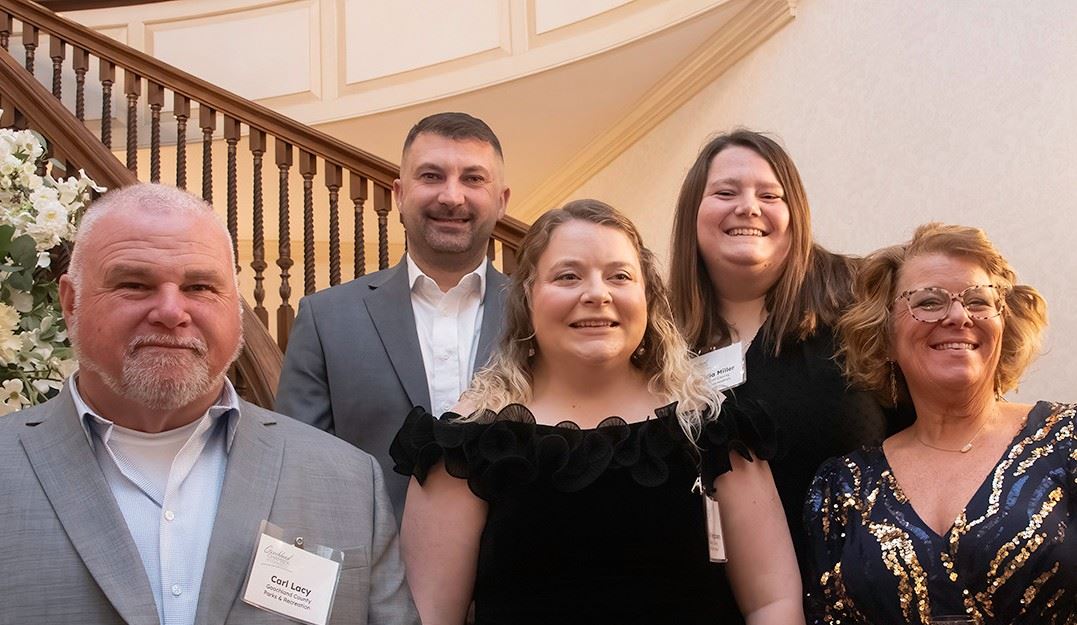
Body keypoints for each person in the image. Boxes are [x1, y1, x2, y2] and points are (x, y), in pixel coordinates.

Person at [0, 184, 418, 625]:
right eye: (134, 285)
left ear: (235, 306)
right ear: (71, 303)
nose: (170, 311)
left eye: (199, 286)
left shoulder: (348, 481)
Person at [392, 199, 804, 625]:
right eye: (568, 276)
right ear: (528, 296)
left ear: (647, 296)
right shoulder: (465, 444)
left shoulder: (712, 428)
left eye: (619, 276)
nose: (597, 294)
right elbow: (430, 617)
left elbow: (773, 603)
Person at [667, 130, 900, 599]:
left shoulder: (864, 300)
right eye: (725, 192)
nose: (748, 207)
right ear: (693, 212)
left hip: (868, 596)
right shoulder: (660, 342)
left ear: (795, 214)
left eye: (770, 195)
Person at [805, 223, 1073, 624]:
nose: (959, 316)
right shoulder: (842, 488)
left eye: (979, 300)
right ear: (886, 335)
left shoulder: (1067, 441)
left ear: (1004, 325)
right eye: (929, 302)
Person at [276, 112, 511, 515]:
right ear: (399, 194)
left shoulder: (541, 315)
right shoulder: (325, 319)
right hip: (370, 554)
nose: (451, 196)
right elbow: (299, 469)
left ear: (502, 201)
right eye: (431, 176)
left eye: (473, 178)